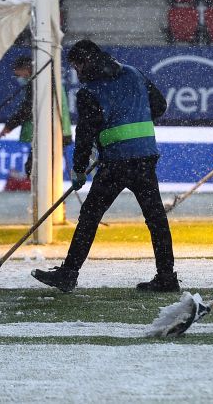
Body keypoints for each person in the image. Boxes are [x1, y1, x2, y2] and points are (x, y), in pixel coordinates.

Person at [31, 39, 178, 293]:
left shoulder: (90, 92)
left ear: (86, 62)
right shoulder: (133, 73)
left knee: (89, 216)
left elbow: (86, 134)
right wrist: (134, 114)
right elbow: (160, 106)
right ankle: (166, 277)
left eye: (77, 67)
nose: (77, 74)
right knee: (156, 219)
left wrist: (78, 169)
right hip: (145, 157)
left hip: (116, 162)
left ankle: (69, 273)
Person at [0, 55, 72, 178]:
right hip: (58, 131)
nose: (18, 79)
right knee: (43, 170)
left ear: (27, 70)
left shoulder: (37, 82)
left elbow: (27, 109)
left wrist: (9, 126)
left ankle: (44, 196)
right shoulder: (49, 79)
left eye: (18, 75)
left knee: (34, 169)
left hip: (47, 132)